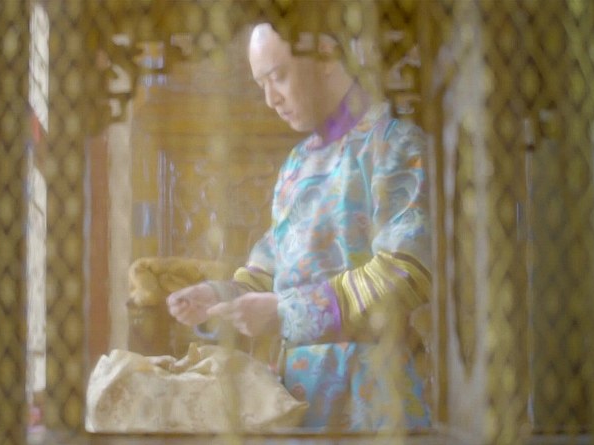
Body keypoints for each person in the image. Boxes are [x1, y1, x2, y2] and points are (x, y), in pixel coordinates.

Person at [166, 23, 432, 431]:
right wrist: (218, 297)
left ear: (324, 55)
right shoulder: (296, 164)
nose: (270, 99)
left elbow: (407, 272)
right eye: (261, 84)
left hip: (373, 402)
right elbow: (269, 272)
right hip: (294, 401)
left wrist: (285, 313)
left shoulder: (395, 143)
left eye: (277, 76)